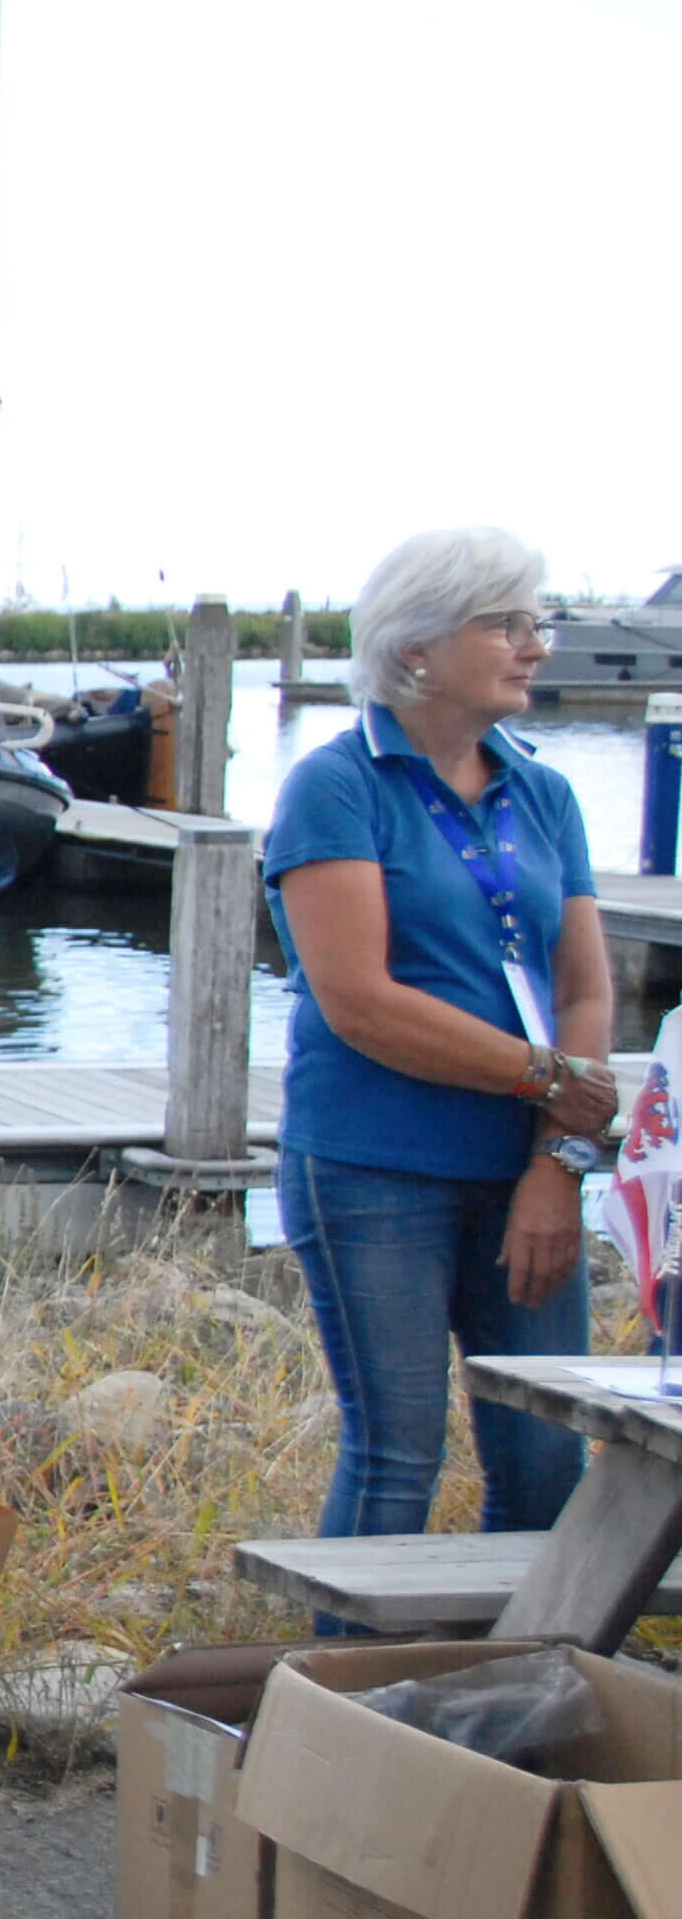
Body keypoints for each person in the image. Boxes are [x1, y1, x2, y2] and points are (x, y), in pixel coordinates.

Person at [266, 527, 614, 1554]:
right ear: (415, 647)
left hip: (522, 1168)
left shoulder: (542, 791)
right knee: (396, 1455)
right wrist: (547, 1078)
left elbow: (582, 987)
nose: (534, 646)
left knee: (545, 1457)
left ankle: (526, 1656)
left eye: (536, 622)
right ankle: (350, 1662)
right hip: (374, 1168)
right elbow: (360, 1003)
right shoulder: (336, 786)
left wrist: (558, 1160)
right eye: (505, 624)